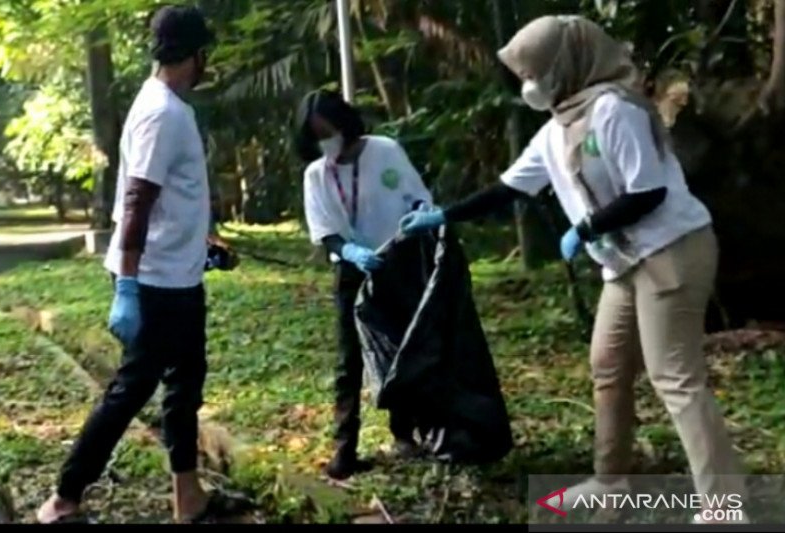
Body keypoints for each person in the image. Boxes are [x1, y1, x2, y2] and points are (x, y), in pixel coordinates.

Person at [400, 15, 746, 522]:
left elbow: (647, 191)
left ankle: (725, 504)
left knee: (674, 376)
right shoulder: (556, 130)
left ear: (566, 64)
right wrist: (443, 215)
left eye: (535, 71)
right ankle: (611, 482)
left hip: (672, 250)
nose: (529, 84)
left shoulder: (615, 110)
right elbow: (509, 189)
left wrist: (584, 229)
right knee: (607, 367)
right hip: (625, 263)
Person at [37, 5, 239, 524]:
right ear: (196, 55)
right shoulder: (162, 113)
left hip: (178, 274)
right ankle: (63, 499)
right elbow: (136, 201)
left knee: (185, 384)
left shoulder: (166, 104)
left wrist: (202, 244)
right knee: (133, 391)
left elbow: (170, 198)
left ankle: (187, 498)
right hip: (153, 283)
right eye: (205, 56)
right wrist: (126, 285)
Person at [297, 89, 434, 480]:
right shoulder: (316, 175)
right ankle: (345, 447)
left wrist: (421, 215)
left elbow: (418, 198)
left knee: (403, 346)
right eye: (317, 137)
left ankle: (406, 433)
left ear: (345, 124)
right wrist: (350, 252)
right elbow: (325, 233)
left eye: (330, 132)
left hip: (399, 260)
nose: (328, 142)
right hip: (354, 269)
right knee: (349, 359)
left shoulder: (385, 151)